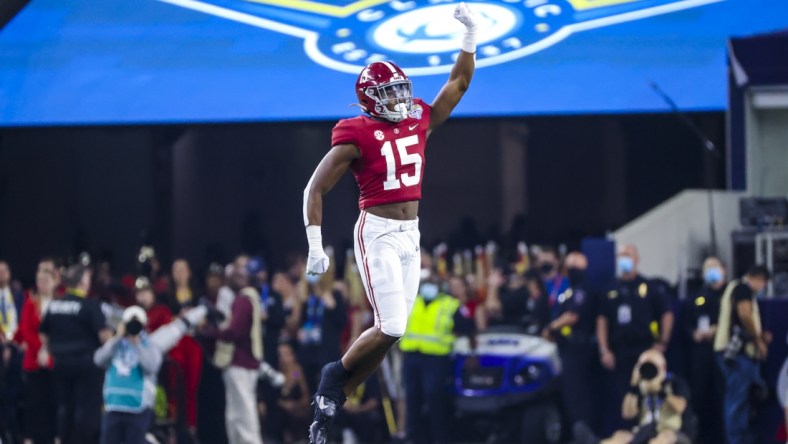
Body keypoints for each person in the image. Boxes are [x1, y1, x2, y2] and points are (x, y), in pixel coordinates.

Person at [301, 3, 478, 443]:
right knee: (393, 325)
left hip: (410, 235)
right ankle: (332, 378)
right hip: (376, 231)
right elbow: (314, 189)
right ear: (369, 100)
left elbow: (457, 84)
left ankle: (338, 393)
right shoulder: (356, 132)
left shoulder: (418, 116)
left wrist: (470, 38)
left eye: (402, 90)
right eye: (390, 94)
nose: (400, 100)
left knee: (392, 333)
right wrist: (315, 245)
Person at [596, 244, 673, 433]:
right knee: (622, 396)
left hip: (644, 351)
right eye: (621, 255)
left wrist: (662, 342)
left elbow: (667, 313)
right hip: (619, 351)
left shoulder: (649, 286)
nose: (624, 259)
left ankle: (648, 432)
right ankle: (624, 434)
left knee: (647, 394)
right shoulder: (610, 289)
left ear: (636, 259)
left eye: (628, 255)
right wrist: (604, 350)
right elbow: (602, 320)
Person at [39, 264, 111, 444]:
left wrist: (49, 349)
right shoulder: (90, 305)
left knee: (65, 407)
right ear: (82, 282)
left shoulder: (54, 304)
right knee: (87, 409)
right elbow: (104, 337)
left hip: (60, 364)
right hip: (86, 365)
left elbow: (43, 332)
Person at [399, 276, 474, 444]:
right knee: (412, 400)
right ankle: (413, 439)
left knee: (434, 400)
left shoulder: (450, 305)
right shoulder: (411, 302)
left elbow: (469, 328)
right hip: (411, 357)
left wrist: (471, 353)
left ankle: (440, 439)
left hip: (436, 360)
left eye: (432, 284)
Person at [574, 349, 693, 444]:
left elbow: (681, 407)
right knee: (620, 436)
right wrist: (633, 386)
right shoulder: (639, 386)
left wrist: (661, 391)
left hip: (671, 430)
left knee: (663, 438)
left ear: (662, 367)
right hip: (644, 430)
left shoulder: (674, 382)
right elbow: (627, 414)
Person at [205, 265, 264, 444]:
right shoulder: (245, 299)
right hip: (240, 364)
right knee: (234, 416)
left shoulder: (243, 300)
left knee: (244, 415)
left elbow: (235, 332)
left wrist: (210, 332)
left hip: (241, 363)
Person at [713, 264, 771, 444]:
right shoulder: (743, 289)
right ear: (760, 279)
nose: (762, 289)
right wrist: (758, 339)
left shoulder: (734, 287)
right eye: (763, 284)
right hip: (737, 355)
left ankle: (743, 438)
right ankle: (736, 440)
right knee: (737, 400)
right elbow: (745, 315)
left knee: (745, 398)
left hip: (734, 353)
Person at [543, 252, 597, 433]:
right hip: (566, 348)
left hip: (580, 349)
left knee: (578, 392)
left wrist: (551, 327)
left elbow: (572, 316)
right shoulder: (568, 291)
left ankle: (585, 431)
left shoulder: (584, 289)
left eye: (574, 268)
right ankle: (575, 429)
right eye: (568, 267)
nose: (570, 271)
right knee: (569, 392)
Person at [94, 306, 163, 444]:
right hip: (114, 405)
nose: (133, 326)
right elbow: (98, 360)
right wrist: (117, 337)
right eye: (130, 322)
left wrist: (137, 344)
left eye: (136, 322)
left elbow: (152, 366)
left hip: (138, 407)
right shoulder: (116, 344)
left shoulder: (148, 344)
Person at [682, 256, 725, 444]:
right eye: (708, 268)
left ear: (723, 270)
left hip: (723, 351)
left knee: (722, 396)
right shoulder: (696, 297)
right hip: (700, 352)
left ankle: (724, 438)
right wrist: (693, 334)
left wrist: (718, 329)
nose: (712, 271)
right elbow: (685, 324)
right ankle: (698, 437)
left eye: (715, 267)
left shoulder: (729, 295)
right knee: (699, 395)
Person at [14, 268, 57, 444]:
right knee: (34, 402)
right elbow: (25, 329)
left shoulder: (58, 304)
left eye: (46, 281)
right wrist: (41, 348)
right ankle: (31, 438)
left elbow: (61, 331)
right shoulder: (30, 304)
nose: (43, 285)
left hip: (53, 361)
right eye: (40, 281)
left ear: (54, 282)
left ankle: (53, 437)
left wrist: (49, 351)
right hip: (33, 360)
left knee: (52, 402)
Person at [0, 260, 23, 443]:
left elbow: (21, 321)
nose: (2, 273)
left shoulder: (17, 295)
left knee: (13, 394)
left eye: (5, 269)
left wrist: (13, 343)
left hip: (16, 350)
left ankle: (13, 432)